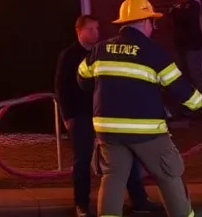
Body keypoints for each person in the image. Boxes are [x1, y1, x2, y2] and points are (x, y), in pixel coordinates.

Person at [78, 0, 202, 217]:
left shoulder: (100, 49)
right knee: (169, 175)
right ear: (146, 22)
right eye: (152, 22)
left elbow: (82, 78)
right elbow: (181, 90)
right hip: (147, 132)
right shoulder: (153, 53)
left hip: (108, 131)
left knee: (112, 179)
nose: (153, 27)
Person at [55, 14, 160, 217]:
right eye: (91, 29)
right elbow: (62, 88)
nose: (96, 32)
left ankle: (138, 198)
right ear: (79, 31)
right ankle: (82, 203)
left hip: (106, 114)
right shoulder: (69, 55)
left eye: (97, 28)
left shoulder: (102, 51)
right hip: (81, 115)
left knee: (125, 155)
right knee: (82, 159)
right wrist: (67, 116)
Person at [169, 0, 202, 91]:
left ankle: (201, 98)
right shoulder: (175, 7)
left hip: (193, 45)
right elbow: (171, 18)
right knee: (182, 74)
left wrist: (178, 11)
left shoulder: (194, 5)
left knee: (195, 75)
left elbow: (187, 18)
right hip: (180, 46)